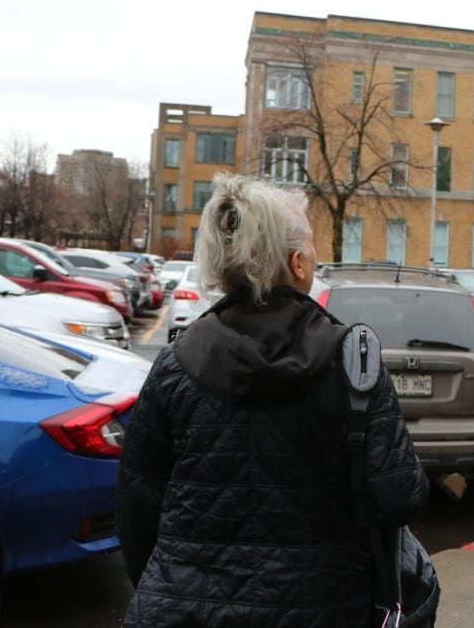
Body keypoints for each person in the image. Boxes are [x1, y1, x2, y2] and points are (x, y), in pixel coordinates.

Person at [117, 174, 429, 627]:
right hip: (327, 606)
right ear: (298, 263)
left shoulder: (174, 365)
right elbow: (400, 498)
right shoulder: (353, 365)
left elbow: (135, 508)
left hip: (184, 610)